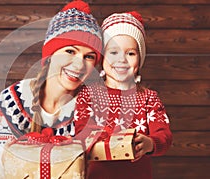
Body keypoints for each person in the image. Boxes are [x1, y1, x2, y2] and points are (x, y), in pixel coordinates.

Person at [0, 0, 103, 178]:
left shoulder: (93, 106)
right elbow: (0, 169)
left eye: (89, 57)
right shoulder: (12, 100)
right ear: (50, 54)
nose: (79, 64)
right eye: (70, 51)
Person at [74, 11, 173, 179]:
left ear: (139, 59)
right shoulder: (87, 95)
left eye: (130, 53)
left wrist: (150, 143)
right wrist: (112, 138)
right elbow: (82, 130)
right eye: (114, 52)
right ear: (103, 59)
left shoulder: (148, 98)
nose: (122, 59)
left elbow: (164, 135)